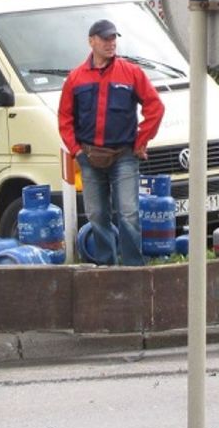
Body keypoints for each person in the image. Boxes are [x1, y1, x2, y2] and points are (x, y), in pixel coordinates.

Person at [58, 18, 164, 266]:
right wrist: (77, 151)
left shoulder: (131, 72)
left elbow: (155, 107)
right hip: (89, 156)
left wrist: (141, 141)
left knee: (129, 213)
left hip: (124, 155)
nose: (111, 43)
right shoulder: (75, 78)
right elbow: (64, 117)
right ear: (91, 41)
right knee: (96, 215)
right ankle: (105, 267)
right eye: (105, 39)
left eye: (113, 38)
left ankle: (133, 268)